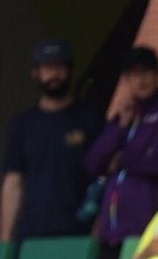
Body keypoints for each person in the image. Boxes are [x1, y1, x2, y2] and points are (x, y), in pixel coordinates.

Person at [84, 45, 158, 259]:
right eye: (133, 74)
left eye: (146, 72)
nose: (140, 80)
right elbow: (93, 163)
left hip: (147, 224)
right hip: (111, 229)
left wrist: (123, 159)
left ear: (157, 74)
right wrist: (121, 127)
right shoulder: (125, 115)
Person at [2, 42, 103, 245]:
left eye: (59, 67)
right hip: (30, 235)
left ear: (70, 70)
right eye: (47, 68)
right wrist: (5, 236)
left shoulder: (91, 121)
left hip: (78, 232)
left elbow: (104, 180)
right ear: (35, 73)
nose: (54, 74)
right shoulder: (22, 125)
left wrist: (98, 230)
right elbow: (14, 182)